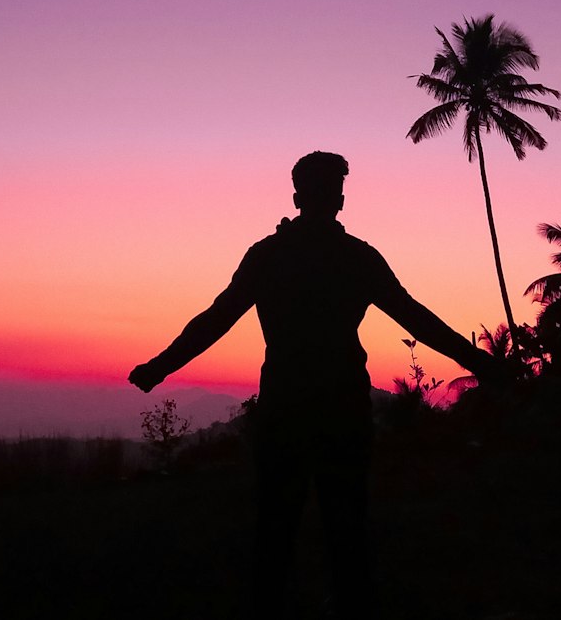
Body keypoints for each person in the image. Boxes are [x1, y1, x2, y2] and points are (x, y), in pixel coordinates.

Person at [129, 150, 500, 618]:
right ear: (338, 200)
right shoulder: (355, 258)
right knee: (344, 523)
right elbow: (418, 320)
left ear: (297, 196)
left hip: (287, 405)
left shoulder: (270, 255)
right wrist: (482, 364)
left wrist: (159, 367)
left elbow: (216, 319)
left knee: (278, 524)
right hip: (341, 406)